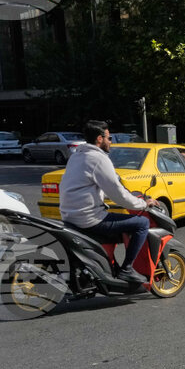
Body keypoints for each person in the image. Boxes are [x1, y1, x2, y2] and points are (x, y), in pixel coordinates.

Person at [59, 120, 160, 284]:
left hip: (70, 216)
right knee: (141, 223)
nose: (111, 142)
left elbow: (90, 186)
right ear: (100, 139)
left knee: (117, 228)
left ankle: (110, 267)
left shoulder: (76, 156)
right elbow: (118, 194)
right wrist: (143, 204)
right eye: (109, 138)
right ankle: (127, 269)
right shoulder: (99, 159)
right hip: (89, 219)